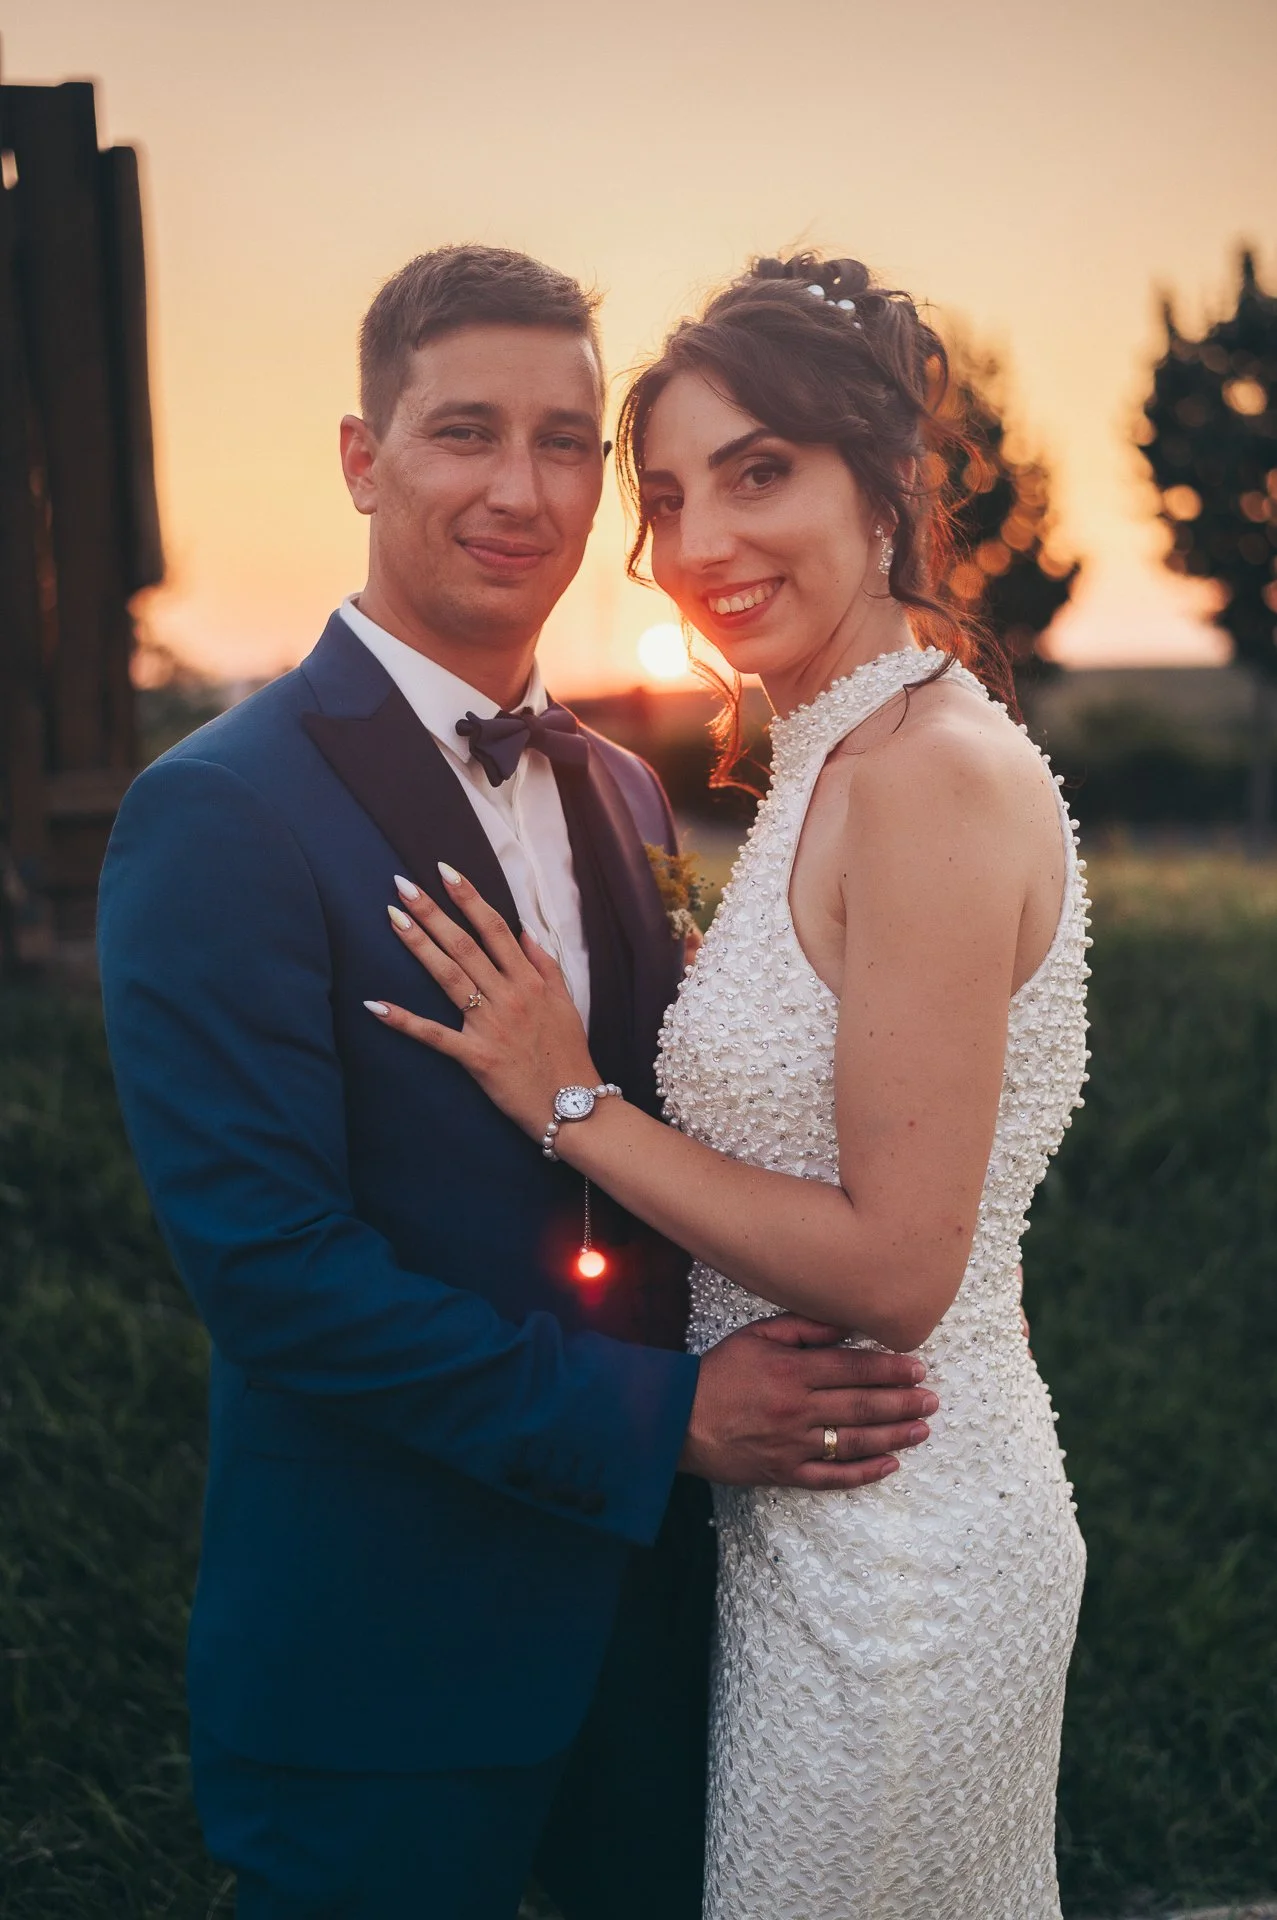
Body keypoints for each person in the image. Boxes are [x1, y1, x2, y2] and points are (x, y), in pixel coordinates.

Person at [96, 246, 937, 1920]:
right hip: (387, 1665)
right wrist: (668, 1421)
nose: (521, 489)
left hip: (664, 1650)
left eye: (566, 443)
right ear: (362, 456)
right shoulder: (219, 813)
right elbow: (274, 1278)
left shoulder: (626, 790)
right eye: (464, 432)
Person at [369, 252, 1090, 1919]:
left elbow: (904, 1270)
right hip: (807, 1533)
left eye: (761, 475)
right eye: (672, 495)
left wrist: (575, 1106)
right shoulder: (836, 759)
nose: (702, 547)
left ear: (886, 479)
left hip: (896, 1548)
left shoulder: (925, 779)